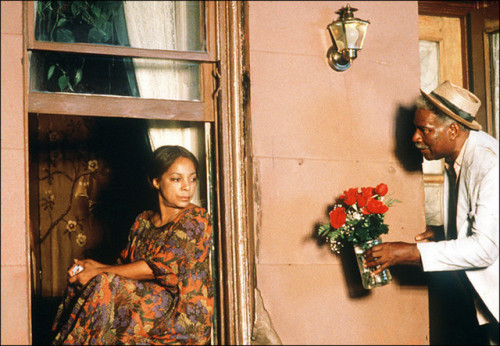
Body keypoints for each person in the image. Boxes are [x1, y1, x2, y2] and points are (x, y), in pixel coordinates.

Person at [364, 80, 499, 344]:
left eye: (424, 130)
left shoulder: (488, 164)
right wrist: (446, 231)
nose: (415, 138)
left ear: (452, 130)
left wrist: (407, 252)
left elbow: (485, 249)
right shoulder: (458, 155)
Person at [51, 145, 214, 345]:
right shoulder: (143, 221)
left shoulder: (196, 219)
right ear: (156, 182)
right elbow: (123, 266)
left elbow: (159, 269)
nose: (187, 187)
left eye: (192, 178)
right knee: (82, 280)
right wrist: (89, 266)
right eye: (176, 179)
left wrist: (97, 270)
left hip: (179, 315)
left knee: (103, 282)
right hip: (145, 306)